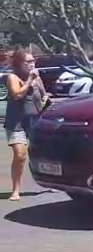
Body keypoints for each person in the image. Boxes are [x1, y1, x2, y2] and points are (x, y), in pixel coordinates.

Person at [4, 51, 49, 201]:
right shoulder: (13, 77)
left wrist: (45, 100)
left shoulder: (38, 79)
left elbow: (44, 96)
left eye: (33, 61)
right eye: (27, 62)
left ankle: (52, 180)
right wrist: (30, 80)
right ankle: (15, 189)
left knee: (43, 153)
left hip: (35, 121)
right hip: (16, 122)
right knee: (20, 155)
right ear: (19, 64)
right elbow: (17, 95)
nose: (31, 64)